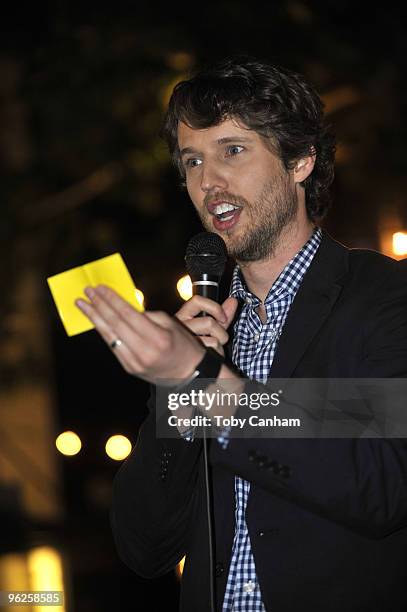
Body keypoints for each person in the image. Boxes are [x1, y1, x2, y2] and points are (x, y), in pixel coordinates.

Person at [76, 57, 407, 611]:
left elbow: (380, 486)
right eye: (193, 161)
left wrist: (203, 380)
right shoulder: (205, 328)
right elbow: (144, 548)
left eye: (233, 150)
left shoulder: (381, 298)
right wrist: (174, 394)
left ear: (300, 160)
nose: (209, 182)